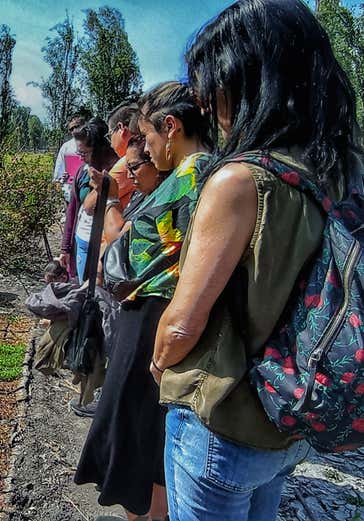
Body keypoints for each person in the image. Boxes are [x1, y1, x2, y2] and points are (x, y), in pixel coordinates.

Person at [153, 2, 359, 519]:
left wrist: (159, 363)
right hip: (293, 415)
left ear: (249, 82)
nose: (209, 103)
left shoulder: (240, 181)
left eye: (214, 85)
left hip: (226, 421)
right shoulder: (336, 173)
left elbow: (182, 323)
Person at [75, 81, 212, 521]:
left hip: (152, 327)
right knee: (151, 447)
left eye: (149, 137)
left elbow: (124, 256)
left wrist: (112, 204)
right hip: (160, 324)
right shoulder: (205, 175)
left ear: (170, 127)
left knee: (138, 444)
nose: (146, 151)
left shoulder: (192, 179)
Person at [59, 118, 119, 283]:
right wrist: (65, 248)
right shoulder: (81, 172)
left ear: (100, 150)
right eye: (79, 153)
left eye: (84, 153)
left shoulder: (117, 172)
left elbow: (90, 206)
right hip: (82, 241)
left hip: (104, 246)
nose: (80, 158)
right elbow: (73, 210)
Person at [53, 110, 92, 203]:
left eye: (77, 127)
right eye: (71, 129)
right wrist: (63, 178)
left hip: (89, 194)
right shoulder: (66, 147)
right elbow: (57, 177)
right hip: (70, 195)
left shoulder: (93, 144)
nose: (74, 130)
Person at [106, 100, 139, 209]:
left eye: (110, 134)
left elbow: (92, 203)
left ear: (121, 128)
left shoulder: (127, 163)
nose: (110, 144)